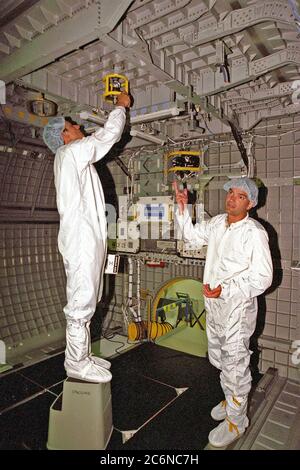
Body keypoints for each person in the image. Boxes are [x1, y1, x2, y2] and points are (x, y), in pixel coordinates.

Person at [174, 177, 273, 447]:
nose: (232, 198)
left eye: (240, 195)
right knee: (218, 358)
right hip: (215, 307)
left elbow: (263, 278)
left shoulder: (254, 233)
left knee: (234, 366)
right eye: (231, 192)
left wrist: (226, 290)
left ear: (251, 203)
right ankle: (231, 398)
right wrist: (183, 208)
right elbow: (192, 236)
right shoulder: (218, 223)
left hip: (237, 310)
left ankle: (237, 421)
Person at [43, 92, 131, 383]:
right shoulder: (71, 152)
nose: (80, 127)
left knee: (87, 301)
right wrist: (120, 106)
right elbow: (108, 136)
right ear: (64, 136)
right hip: (82, 242)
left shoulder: (72, 159)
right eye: (72, 126)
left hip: (85, 240)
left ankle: (83, 356)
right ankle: (76, 364)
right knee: (81, 305)